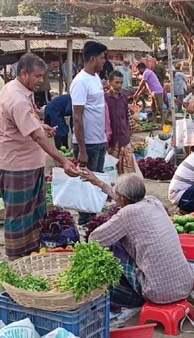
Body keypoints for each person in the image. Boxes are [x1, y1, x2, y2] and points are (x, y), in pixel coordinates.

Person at [0, 53, 79, 260]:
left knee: (33, 214)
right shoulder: (16, 98)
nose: (41, 81)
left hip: (27, 163)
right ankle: (17, 260)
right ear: (23, 73)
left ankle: (31, 255)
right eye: (37, 76)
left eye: (43, 76)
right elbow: (38, 138)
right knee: (18, 216)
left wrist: (40, 125)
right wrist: (63, 160)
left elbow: (26, 125)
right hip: (16, 165)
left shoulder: (17, 90)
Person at [85, 173, 194, 307]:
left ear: (122, 199)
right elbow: (124, 197)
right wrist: (98, 183)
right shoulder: (154, 202)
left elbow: (95, 240)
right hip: (186, 285)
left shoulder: (127, 214)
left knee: (114, 245)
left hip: (158, 294)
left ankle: (125, 296)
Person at [71, 41, 109, 224]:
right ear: (92, 59)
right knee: (86, 186)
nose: (104, 61)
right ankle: (85, 222)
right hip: (88, 144)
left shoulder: (95, 78)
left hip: (99, 140)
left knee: (96, 184)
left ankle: (93, 220)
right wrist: (82, 149)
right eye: (102, 57)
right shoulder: (80, 82)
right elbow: (77, 118)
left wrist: (104, 137)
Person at [106, 71, 135, 175]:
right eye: (116, 82)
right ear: (110, 82)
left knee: (127, 172)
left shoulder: (123, 98)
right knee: (111, 171)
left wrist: (128, 133)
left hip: (124, 138)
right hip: (111, 140)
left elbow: (126, 117)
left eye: (121, 83)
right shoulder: (105, 98)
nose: (119, 85)